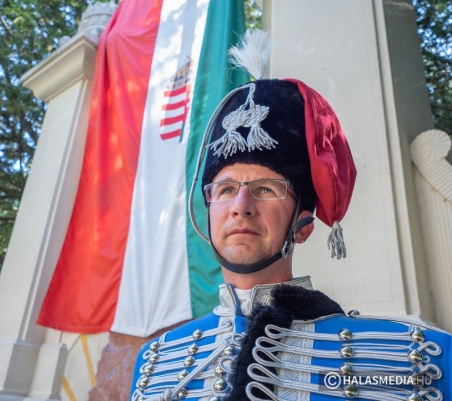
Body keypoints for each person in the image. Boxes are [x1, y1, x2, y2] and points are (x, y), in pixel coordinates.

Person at [129, 31, 451, 401]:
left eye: (266, 189)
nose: (241, 205)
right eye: (226, 189)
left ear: (303, 226)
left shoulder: (420, 357)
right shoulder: (153, 364)